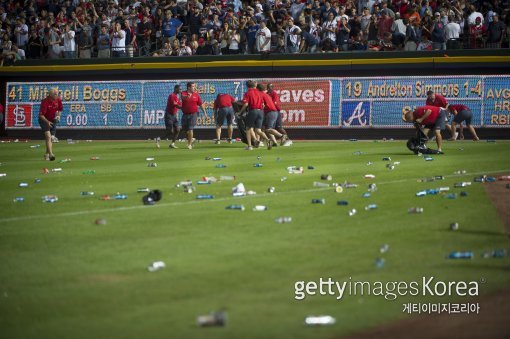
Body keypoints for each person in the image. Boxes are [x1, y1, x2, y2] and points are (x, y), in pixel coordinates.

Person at [238, 80, 272, 151]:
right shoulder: (260, 92)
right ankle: (268, 140)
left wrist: (240, 112)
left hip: (253, 111)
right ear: (255, 85)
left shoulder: (247, 93)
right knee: (258, 130)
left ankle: (249, 146)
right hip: (261, 111)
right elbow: (265, 103)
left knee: (248, 128)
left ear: (247, 86)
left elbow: (246, 104)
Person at [181, 82, 208, 149]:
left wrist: (205, 113)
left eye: (194, 86)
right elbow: (183, 98)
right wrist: (187, 96)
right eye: (193, 86)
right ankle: (191, 139)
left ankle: (189, 144)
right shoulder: (183, 93)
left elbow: (201, 104)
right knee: (184, 130)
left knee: (190, 128)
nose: (194, 88)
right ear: (189, 87)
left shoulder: (196, 95)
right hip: (185, 114)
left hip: (194, 114)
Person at [39, 89, 63, 161]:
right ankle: (51, 154)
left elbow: (60, 110)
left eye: (57, 94)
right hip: (44, 120)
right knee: (48, 137)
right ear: (50, 95)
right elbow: (41, 115)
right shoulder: (45, 102)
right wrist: (47, 122)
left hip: (53, 120)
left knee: (51, 138)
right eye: (55, 94)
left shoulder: (58, 100)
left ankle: (46, 154)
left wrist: (58, 116)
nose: (57, 95)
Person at [160, 84, 182, 149]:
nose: (181, 90)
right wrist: (184, 106)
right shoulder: (171, 96)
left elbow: (180, 106)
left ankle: (172, 143)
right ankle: (159, 139)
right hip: (168, 115)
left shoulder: (177, 97)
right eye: (180, 89)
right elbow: (177, 106)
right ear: (176, 89)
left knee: (178, 130)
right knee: (171, 131)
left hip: (174, 115)